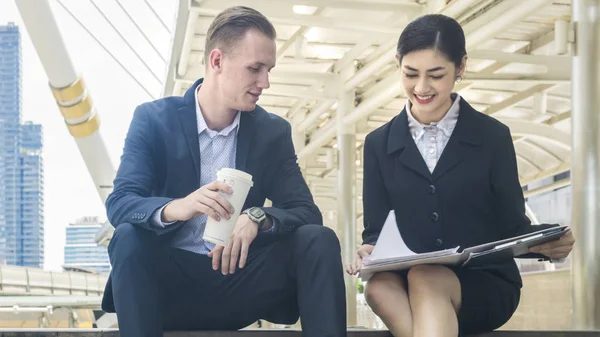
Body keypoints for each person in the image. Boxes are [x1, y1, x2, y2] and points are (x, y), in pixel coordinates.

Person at [101, 6, 346, 337]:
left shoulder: (272, 132)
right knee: (128, 237)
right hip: (169, 288)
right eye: (255, 69)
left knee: (319, 239)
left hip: (239, 279)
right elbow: (120, 203)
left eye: (268, 70)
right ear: (217, 61)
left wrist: (258, 217)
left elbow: (306, 212)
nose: (266, 82)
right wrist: (178, 207)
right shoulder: (154, 120)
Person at [346, 14, 575, 337]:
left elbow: (512, 225)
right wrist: (369, 249)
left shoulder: (493, 137)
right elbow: (376, 231)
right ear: (397, 63)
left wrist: (548, 241)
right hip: (404, 278)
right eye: (410, 74)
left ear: (461, 66)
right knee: (378, 288)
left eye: (436, 75)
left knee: (425, 277)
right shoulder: (377, 144)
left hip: (483, 281)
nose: (421, 88)